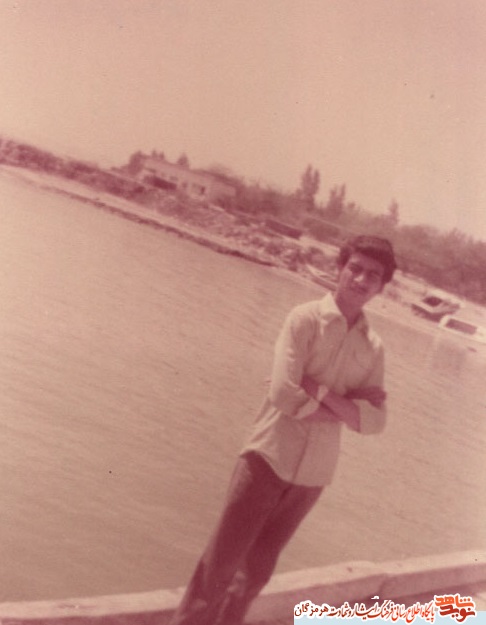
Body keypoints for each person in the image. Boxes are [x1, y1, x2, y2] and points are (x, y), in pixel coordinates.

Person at [169, 235, 397, 625]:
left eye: (372, 275)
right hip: (268, 457)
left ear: (381, 286)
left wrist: (319, 391)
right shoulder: (303, 320)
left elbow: (375, 422)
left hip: (313, 475)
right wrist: (344, 410)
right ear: (340, 269)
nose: (361, 279)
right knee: (219, 567)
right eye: (355, 268)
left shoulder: (373, 348)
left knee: (255, 574)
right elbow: (283, 395)